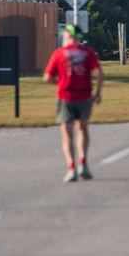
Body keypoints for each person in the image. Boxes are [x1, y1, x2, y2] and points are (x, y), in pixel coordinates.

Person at [44, 24, 103, 182]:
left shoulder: (59, 53)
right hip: (84, 95)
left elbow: (47, 77)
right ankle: (83, 163)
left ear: (69, 36)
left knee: (67, 134)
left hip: (65, 96)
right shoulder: (88, 53)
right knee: (83, 129)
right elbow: (99, 72)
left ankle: (72, 167)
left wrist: (60, 83)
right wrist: (98, 92)